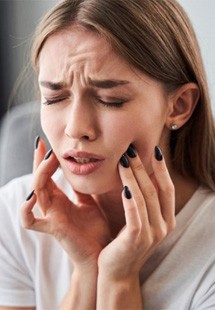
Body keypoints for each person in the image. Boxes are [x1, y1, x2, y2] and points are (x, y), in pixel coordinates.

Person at [0, 0, 215, 309]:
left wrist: (119, 278)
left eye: (110, 99)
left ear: (179, 106)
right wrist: (86, 270)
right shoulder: (13, 215)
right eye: (54, 97)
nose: (76, 128)